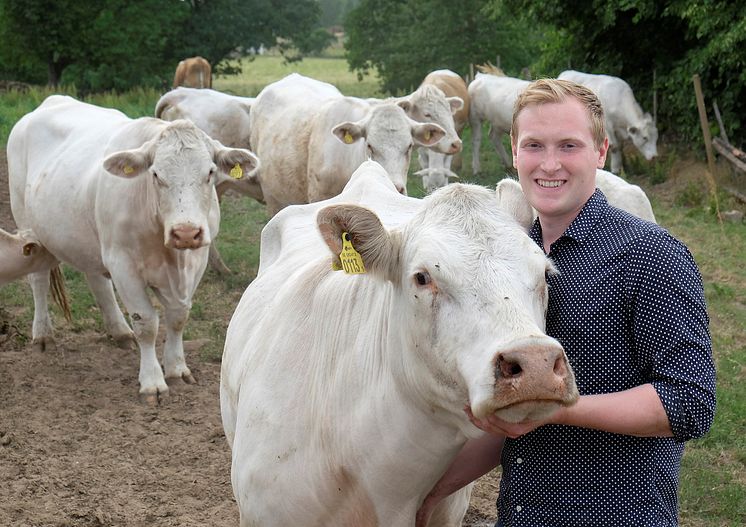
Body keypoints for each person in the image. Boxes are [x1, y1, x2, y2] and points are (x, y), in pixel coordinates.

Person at [416, 78, 716, 527]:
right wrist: (434, 494)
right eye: (534, 145)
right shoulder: (516, 260)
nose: (550, 164)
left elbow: (689, 403)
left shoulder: (651, 256)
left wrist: (560, 407)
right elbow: (517, 416)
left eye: (569, 146)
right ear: (514, 150)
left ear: (600, 151)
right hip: (521, 513)